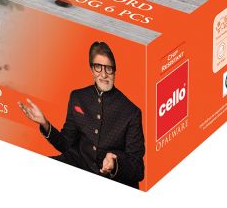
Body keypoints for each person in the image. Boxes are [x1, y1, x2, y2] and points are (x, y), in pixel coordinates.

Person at [18, 41, 145, 188]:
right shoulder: (78, 97)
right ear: (92, 69)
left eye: (109, 68)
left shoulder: (131, 112)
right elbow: (66, 144)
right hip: (78, 163)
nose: (104, 74)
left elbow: (138, 169)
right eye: (98, 67)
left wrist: (115, 164)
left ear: (114, 71)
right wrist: (45, 123)